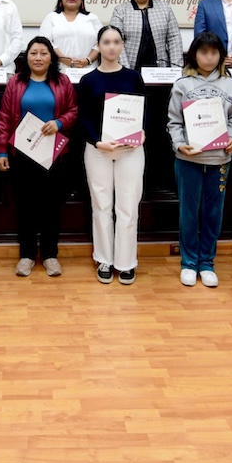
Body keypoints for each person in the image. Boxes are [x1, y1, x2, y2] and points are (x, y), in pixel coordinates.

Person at [0, 36, 79, 277]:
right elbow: (4, 118)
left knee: (51, 206)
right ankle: (28, 255)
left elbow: (73, 111)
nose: (38, 57)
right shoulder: (15, 82)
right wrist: (1, 150)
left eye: (44, 53)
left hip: (54, 155)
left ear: (51, 57)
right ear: (27, 57)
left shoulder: (63, 81)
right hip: (22, 154)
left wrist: (59, 122)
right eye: (34, 53)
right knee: (26, 207)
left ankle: (50, 255)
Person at [167, 31, 232, 288]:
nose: (209, 57)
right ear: (194, 55)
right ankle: (189, 263)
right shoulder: (182, 85)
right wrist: (179, 144)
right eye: (203, 52)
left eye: (214, 52)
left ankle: (207, 263)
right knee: (189, 213)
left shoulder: (231, 85)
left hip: (219, 158)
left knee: (213, 213)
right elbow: (174, 122)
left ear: (220, 55)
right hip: (188, 158)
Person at [77, 25, 146, 284]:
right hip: (99, 150)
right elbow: (83, 117)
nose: (111, 46)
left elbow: (143, 110)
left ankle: (126, 263)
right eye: (106, 42)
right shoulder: (88, 80)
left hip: (130, 150)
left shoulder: (133, 77)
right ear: (98, 46)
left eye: (116, 41)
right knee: (101, 206)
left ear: (122, 45)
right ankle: (104, 259)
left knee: (128, 207)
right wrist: (97, 142)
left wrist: (142, 132)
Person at [110, 0, 184, 69]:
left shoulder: (165, 8)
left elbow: (174, 38)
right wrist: (125, 70)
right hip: (131, 68)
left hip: (160, 69)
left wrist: (176, 68)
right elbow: (116, 40)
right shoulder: (120, 10)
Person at [39, 0, 103, 69]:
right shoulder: (51, 17)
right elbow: (45, 43)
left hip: (89, 69)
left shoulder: (92, 18)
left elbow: (102, 42)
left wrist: (87, 60)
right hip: (59, 70)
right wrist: (65, 60)